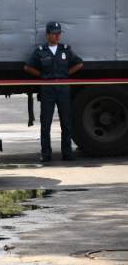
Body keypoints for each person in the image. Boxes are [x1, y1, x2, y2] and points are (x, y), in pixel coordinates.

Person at [24, 22, 83, 162]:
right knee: (46, 123)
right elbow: (27, 67)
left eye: (59, 33)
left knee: (66, 122)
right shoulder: (41, 50)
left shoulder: (65, 50)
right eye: (54, 33)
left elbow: (79, 63)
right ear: (47, 35)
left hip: (63, 87)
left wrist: (66, 74)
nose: (57, 36)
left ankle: (67, 153)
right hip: (47, 88)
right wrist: (42, 76)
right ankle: (46, 154)